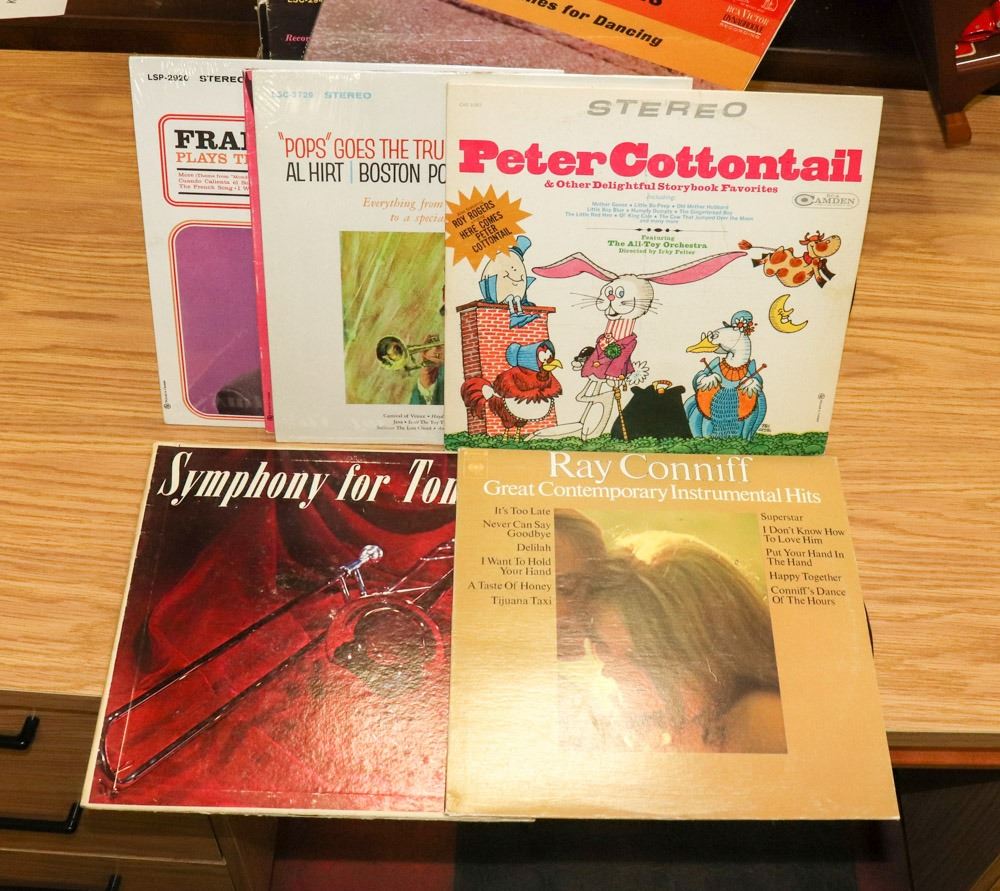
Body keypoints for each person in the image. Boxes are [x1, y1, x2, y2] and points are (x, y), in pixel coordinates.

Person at [554, 510, 786, 754]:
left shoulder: (759, 720)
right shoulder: (612, 707)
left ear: (710, 648)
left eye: (640, 656)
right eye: (604, 648)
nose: (609, 672)